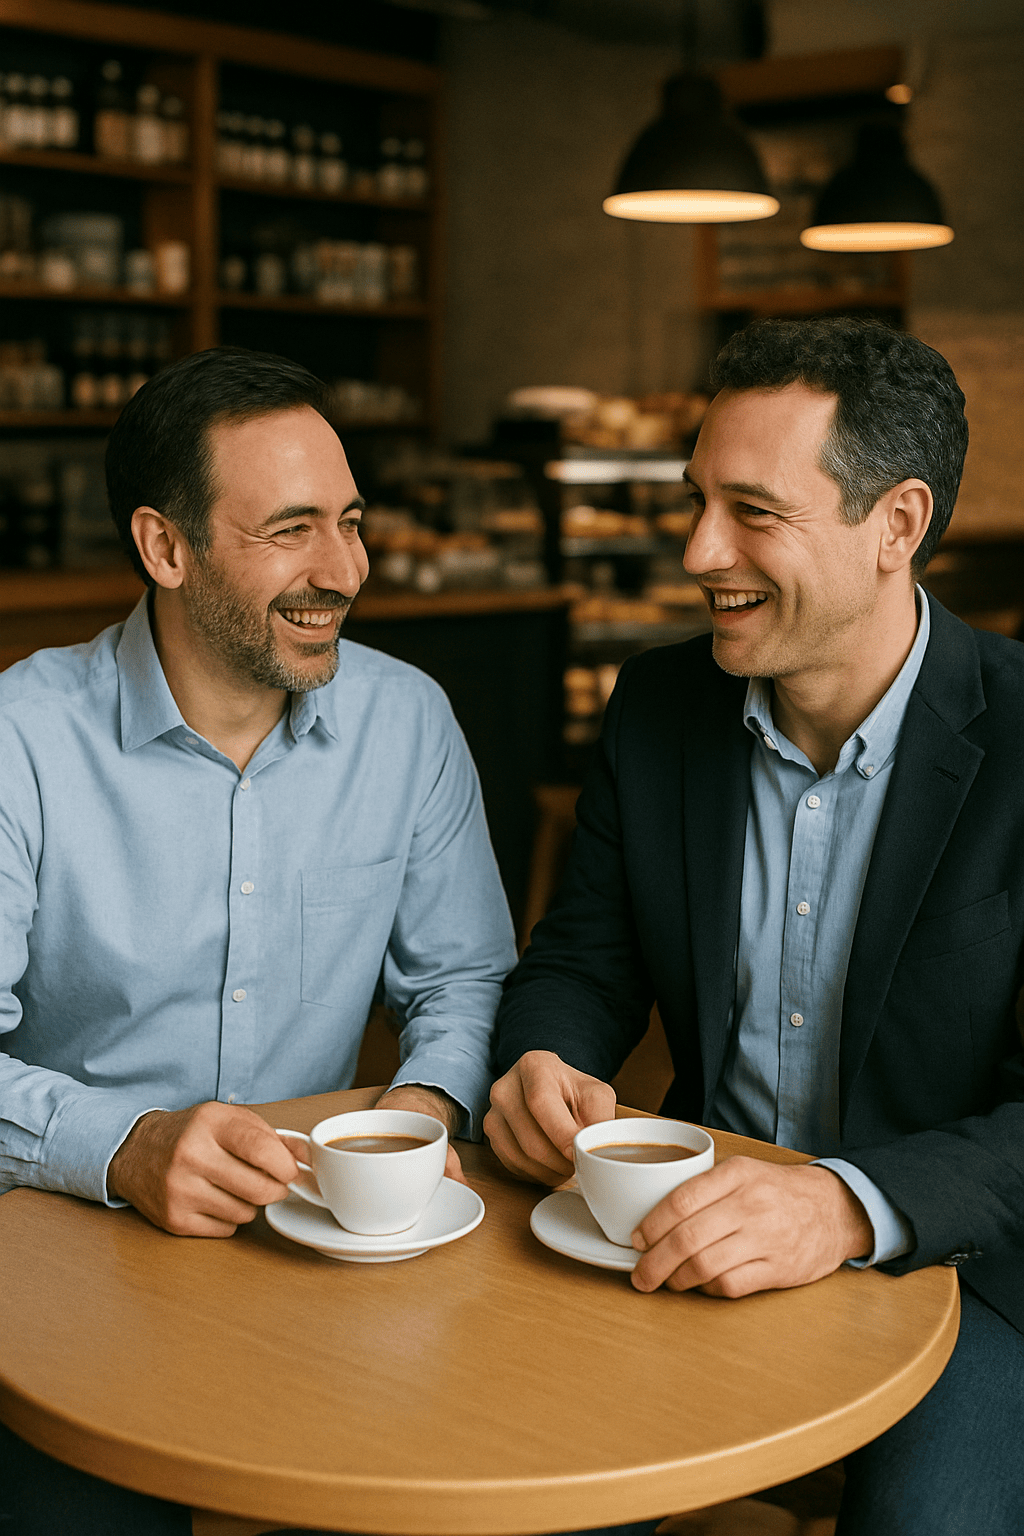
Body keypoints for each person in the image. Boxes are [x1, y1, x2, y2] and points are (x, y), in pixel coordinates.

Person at [486, 316, 1024, 1535]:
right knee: (518, 1483)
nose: (695, 550)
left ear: (896, 523)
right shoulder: (660, 703)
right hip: (678, 1232)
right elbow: (582, 957)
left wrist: (839, 1207)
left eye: (751, 511)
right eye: (694, 500)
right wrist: (544, 1058)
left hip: (965, 1266)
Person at [0, 346, 516, 1533]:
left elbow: (466, 979)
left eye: (350, 522)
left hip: (338, 1257)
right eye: (291, 530)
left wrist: (424, 1114)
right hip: (73, 1256)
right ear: (165, 548)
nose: (342, 571)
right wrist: (123, 1146)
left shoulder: (408, 719)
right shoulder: (23, 739)